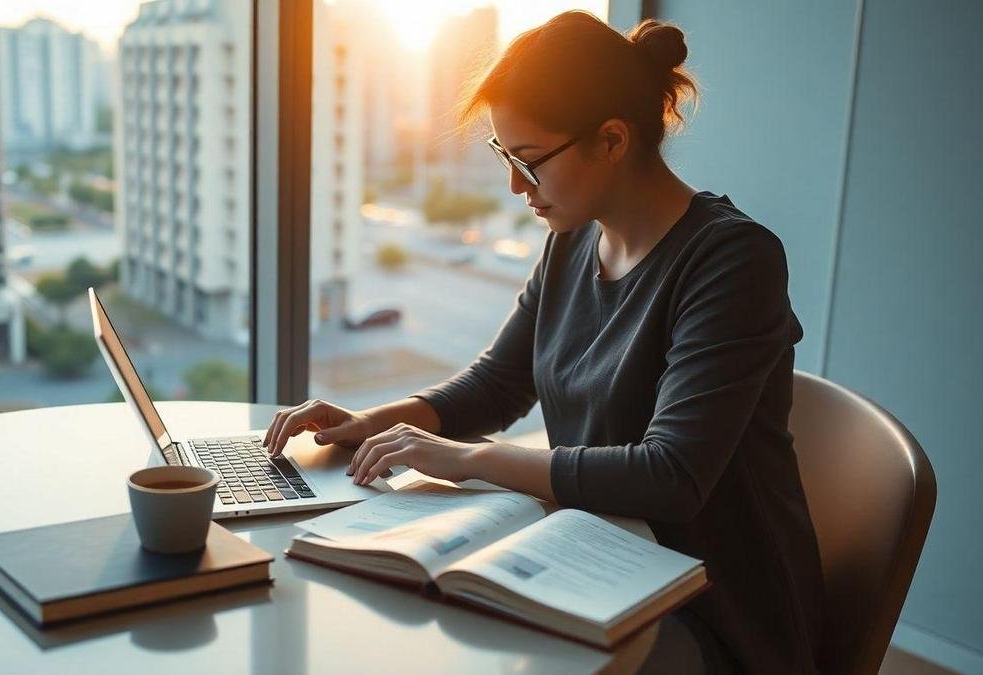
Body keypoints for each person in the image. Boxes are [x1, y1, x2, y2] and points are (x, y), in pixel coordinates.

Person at [264, 11, 823, 673]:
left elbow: (671, 477)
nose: (513, 186)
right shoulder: (572, 239)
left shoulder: (733, 260)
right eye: (504, 157)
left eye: (528, 161)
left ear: (612, 140)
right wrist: (371, 422)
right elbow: (498, 383)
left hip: (709, 606)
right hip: (596, 560)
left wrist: (468, 458)